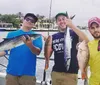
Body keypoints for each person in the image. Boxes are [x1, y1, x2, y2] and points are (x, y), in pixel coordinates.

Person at [44, 12, 89, 85]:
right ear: (56, 23)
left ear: (67, 20)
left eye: (63, 19)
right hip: (56, 73)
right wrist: (47, 43)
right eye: (59, 20)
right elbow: (48, 53)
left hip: (71, 74)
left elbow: (87, 41)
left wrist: (72, 26)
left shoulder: (74, 34)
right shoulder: (53, 37)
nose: (61, 21)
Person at [0, 13, 43, 85]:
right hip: (11, 73)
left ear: (34, 24)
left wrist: (30, 45)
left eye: (32, 21)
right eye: (28, 19)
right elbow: (5, 51)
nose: (29, 21)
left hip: (28, 74)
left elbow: (37, 52)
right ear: (23, 20)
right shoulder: (11, 34)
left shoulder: (36, 36)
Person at [87, 17, 100, 85]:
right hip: (93, 82)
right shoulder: (88, 46)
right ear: (89, 30)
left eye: (97, 26)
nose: (95, 30)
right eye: (92, 28)